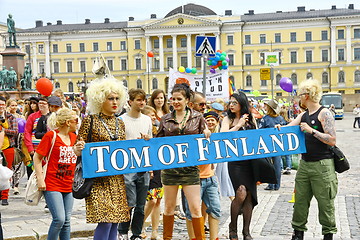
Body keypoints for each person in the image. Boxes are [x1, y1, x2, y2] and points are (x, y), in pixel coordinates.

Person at [276, 79, 337, 240]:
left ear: (308, 95)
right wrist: (279, 128)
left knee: (325, 202)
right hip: (305, 164)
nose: (298, 97)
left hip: (323, 165)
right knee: (300, 200)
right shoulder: (303, 114)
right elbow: (290, 127)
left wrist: (311, 131)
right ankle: (298, 233)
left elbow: (332, 139)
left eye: (300, 94)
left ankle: (328, 234)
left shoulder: (324, 113)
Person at [76, 76, 130, 240]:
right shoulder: (90, 121)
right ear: (100, 100)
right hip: (97, 180)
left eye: (116, 98)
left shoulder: (120, 123)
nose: (114, 102)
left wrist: (144, 140)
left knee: (115, 221)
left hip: (116, 179)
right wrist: (78, 148)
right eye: (110, 98)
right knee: (105, 220)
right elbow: (79, 146)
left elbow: (125, 148)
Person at [156, 83, 211, 240]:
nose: (175, 102)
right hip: (170, 169)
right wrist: (149, 140)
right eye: (173, 99)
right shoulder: (165, 119)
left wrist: (207, 132)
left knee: (195, 208)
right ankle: (167, 238)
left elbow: (206, 135)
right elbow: (158, 141)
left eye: (179, 99)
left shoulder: (197, 117)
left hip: (190, 168)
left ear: (187, 100)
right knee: (168, 207)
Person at [33, 108, 79, 240]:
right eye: (75, 120)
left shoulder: (74, 137)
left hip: (69, 184)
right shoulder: (51, 136)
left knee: (66, 222)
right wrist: (41, 179)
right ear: (67, 122)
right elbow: (37, 158)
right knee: (59, 219)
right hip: (52, 183)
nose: (77, 122)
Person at [220, 92, 257, 240]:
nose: (231, 105)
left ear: (242, 103)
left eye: (234, 102)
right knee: (240, 192)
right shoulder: (227, 119)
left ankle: (246, 232)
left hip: (250, 161)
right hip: (235, 161)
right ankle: (232, 228)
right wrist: (238, 125)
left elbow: (258, 136)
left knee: (249, 197)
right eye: (230, 102)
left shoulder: (251, 118)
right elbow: (222, 136)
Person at [118, 89, 152, 240]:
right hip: (127, 165)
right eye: (138, 100)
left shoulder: (147, 120)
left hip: (143, 165)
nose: (142, 102)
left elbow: (151, 142)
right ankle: (123, 231)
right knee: (129, 202)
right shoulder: (121, 120)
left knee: (140, 204)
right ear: (130, 102)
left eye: (143, 100)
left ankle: (136, 234)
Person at [184, 111, 222, 240]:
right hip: (194, 179)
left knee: (215, 209)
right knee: (191, 212)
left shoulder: (217, 136)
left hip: (210, 178)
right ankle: (194, 238)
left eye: (213, 120)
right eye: (207, 120)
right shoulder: (193, 133)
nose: (210, 122)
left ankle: (214, 238)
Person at [140, 106, 162, 240]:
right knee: (151, 200)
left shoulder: (157, 130)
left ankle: (155, 231)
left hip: (158, 166)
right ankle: (140, 224)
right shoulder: (143, 131)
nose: (154, 117)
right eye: (151, 115)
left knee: (158, 200)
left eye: (154, 115)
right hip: (148, 167)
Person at [258, 99, 286, 191]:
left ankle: (271, 184)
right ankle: (277, 185)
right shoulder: (280, 119)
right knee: (277, 165)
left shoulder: (265, 119)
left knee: (270, 165)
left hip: (267, 144)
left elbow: (260, 132)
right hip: (278, 144)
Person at [0, 96, 19, 206]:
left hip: (8, 147)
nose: (1, 107)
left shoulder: (10, 117)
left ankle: (5, 196)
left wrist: (3, 129)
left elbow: (15, 131)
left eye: (2, 105)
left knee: (7, 172)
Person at [24, 97, 49, 178]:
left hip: (48, 148)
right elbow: (27, 132)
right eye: (40, 103)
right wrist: (30, 147)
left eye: (44, 103)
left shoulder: (51, 115)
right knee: (34, 171)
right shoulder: (32, 116)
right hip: (35, 148)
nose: (41, 105)